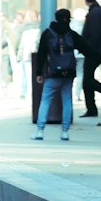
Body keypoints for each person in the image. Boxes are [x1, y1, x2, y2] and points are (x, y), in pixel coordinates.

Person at [33, 8, 78, 140]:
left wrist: (39, 72)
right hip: (68, 73)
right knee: (67, 101)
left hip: (52, 73)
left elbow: (41, 54)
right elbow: (85, 47)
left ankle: (40, 130)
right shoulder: (71, 34)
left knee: (45, 100)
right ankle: (65, 131)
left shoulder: (47, 33)